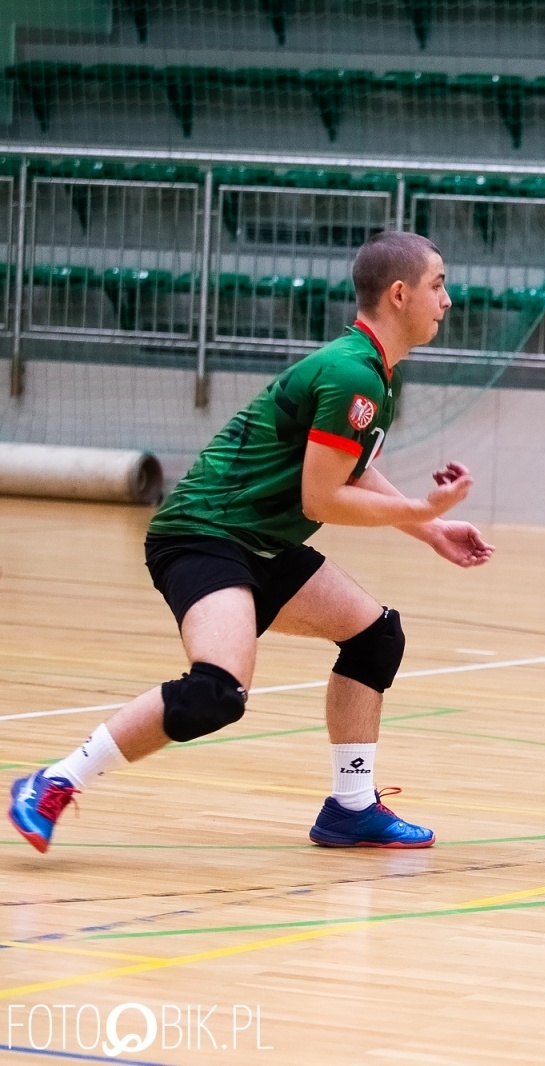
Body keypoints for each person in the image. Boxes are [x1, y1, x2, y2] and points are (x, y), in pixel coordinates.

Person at [8, 231, 495, 854]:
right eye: (438, 284)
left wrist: (431, 531)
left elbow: (345, 470)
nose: (448, 299)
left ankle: (350, 808)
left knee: (375, 635)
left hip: (261, 542)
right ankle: (52, 783)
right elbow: (324, 501)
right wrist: (422, 506)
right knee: (217, 692)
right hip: (205, 535)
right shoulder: (353, 373)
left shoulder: (373, 372)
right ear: (399, 294)